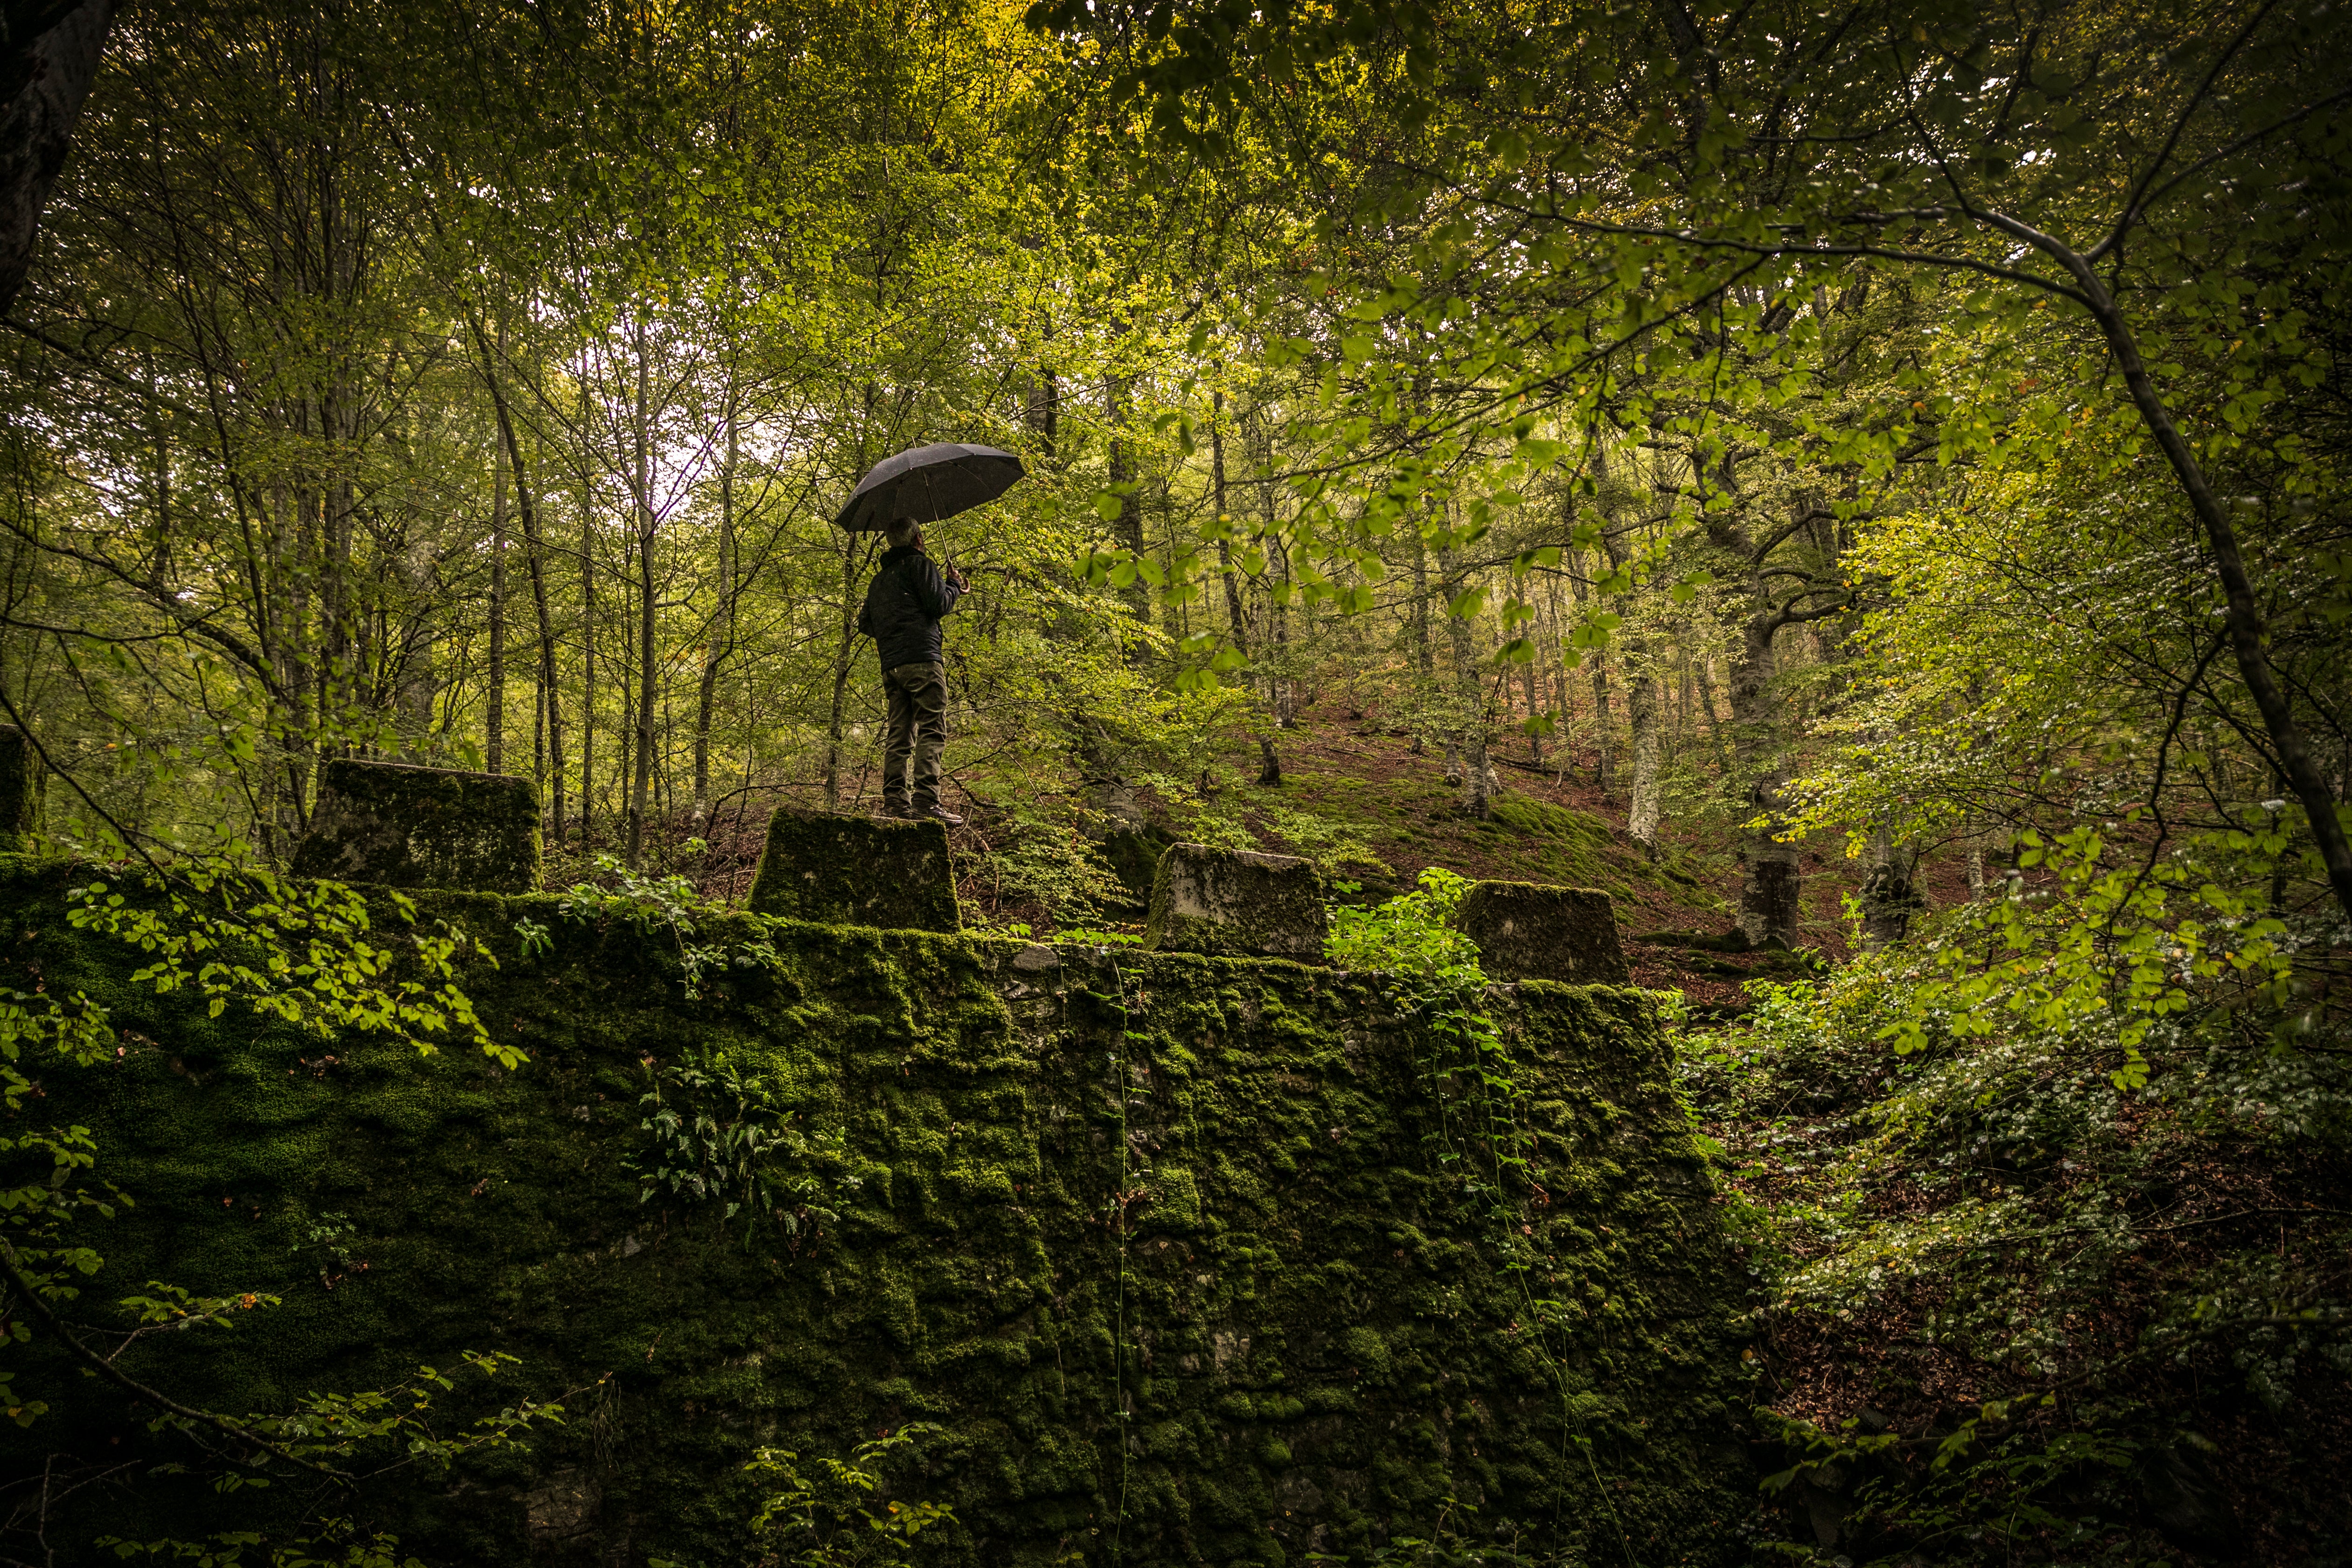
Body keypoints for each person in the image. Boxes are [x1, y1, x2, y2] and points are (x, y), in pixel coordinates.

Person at [856, 517, 968, 823]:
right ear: (917, 539)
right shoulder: (921, 566)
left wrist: (894, 630)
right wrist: (955, 586)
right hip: (922, 657)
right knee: (932, 726)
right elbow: (939, 606)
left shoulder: (878, 582)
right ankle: (926, 801)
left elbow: (865, 623)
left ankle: (894, 802)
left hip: (891, 665)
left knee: (899, 732)